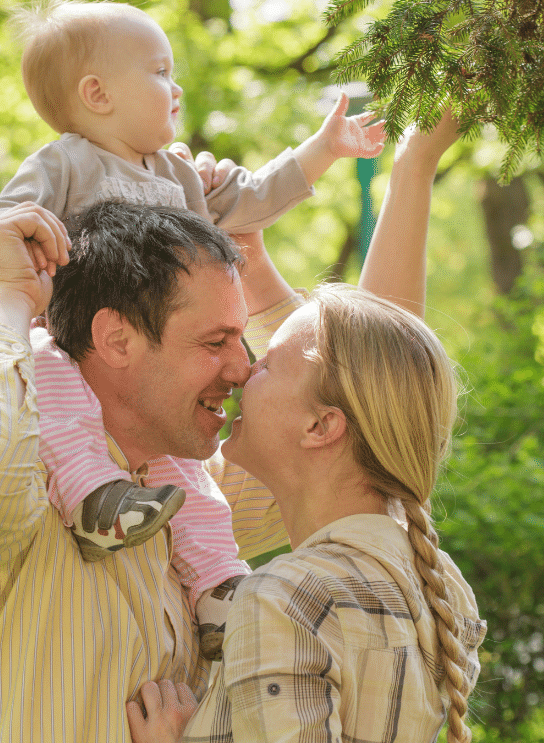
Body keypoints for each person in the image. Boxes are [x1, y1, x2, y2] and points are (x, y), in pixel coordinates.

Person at [0, 113, 458, 742]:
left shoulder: (192, 493)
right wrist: (7, 304)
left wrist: (411, 169)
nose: (242, 369)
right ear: (116, 339)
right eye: (215, 342)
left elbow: (369, 402)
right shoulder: (8, 470)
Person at [0, 0, 386, 658]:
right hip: (74, 341)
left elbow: (252, 201)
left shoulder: (179, 173)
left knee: (192, 481)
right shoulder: (63, 164)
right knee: (53, 392)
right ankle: (93, 500)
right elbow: (4, 226)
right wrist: (24, 266)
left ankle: (218, 589)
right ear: (97, 94)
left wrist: (324, 149)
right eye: (159, 71)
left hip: (152, 373)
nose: (175, 88)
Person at [125, 280, 487, 743]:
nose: (244, 371)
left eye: (268, 364)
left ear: (320, 426)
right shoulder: (442, 586)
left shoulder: (284, 599)